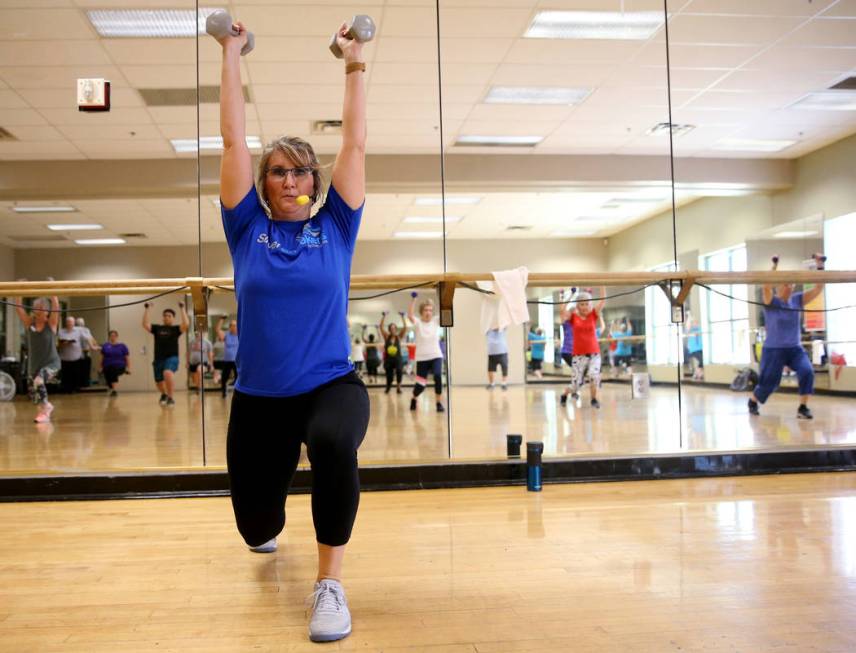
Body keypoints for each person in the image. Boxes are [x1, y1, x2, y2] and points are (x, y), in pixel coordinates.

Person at [215, 16, 370, 643]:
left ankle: (329, 585)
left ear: (314, 184)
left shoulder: (336, 227)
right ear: (264, 182)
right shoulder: (245, 229)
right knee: (256, 525)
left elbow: (355, 146)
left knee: (334, 443)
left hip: (331, 383)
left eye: (301, 171)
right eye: (278, 170)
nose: (290, 178)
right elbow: (231, 143)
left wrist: (354, 60)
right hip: (259, 399)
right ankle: (267, 524)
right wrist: (231, 51)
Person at [749, 255, 825, 419]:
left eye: (791, 284)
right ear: (779, 287)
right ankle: (753, 400)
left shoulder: (797, 300)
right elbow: (766, 287)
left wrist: (820, 265)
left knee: (807, 371)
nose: (790, 287)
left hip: (794, 348)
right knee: (769, 384)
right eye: (786, 284)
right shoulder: (771, 302)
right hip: (773, 349)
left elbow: (819, 288)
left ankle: (802, 407)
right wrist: (774, 267)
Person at [15, 296, 61, 423]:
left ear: (46, 310)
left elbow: (56, 306)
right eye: (36, 307)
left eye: (41, 307)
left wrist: (53, 294)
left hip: (52, 363)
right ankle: (44, 412)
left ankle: (46, 408)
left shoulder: (51, 323)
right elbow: (19, 309)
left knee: (39, 380)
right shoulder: (30, 323)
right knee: (35, 397)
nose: (38, 310)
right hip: (34, 365)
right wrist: (18, 293)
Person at [561, 288, 606, 408]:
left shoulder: (593, 315)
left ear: (590, 304)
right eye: (582, 304)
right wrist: (571, 295)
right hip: (578, 355)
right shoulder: (574, 317)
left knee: (594, 375)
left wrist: (602, 286)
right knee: (576, 385)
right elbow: (562, 310)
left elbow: (602, 302)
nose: (585, 307)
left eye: (587, 304)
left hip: (594, 354)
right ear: (577, 306)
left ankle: (594, 399)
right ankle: (564, 394)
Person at [143, 302, 189, 407]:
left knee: (167, 373)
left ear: (173, 318)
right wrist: (147, 308)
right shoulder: (157, 328)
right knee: (159, 381)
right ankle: (164, 394)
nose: (167, 317)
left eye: (169, 316)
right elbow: (145, 324)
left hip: (172, 357)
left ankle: (171, 398)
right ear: (163, 318)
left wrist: (182, 308)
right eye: (165, 315)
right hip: (158, 359)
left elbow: (186, 324)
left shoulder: (176, 329)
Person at [408, 295, 445, 412]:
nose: (428, 312)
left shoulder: (435, 321)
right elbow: (410, 316)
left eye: (430, 310)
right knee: (420, 386)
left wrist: (441, 295)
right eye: (425, 310)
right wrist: (414, 300)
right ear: (421, 311)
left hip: (436, 355)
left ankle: (438, 403)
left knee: (438, 377)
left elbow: (444, 310)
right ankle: (414, 398)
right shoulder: (418, 323)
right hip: (422, 358)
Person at [380, 311, 405, 394]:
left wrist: (402, 317)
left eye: (394, 328)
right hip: (389, 359)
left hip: (398, 359)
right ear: (390, 329)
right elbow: (381, 327)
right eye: (391, 328)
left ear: (396, 329)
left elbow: (405, 328)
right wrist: (384, 316)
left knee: (399, 371)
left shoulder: (399, 337)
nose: (393, 329)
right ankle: (388, 387)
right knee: (389, 375)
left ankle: (398, 387)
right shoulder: (386, 336)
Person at [100, 330, 130, 397]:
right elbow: (102, 357)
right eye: (111, 336)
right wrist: (100, 367)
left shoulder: (122, 346)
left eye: (114, 336)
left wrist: (128, 368)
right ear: (109, 337)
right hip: (107, 365)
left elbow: (127, 358)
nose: (112, 337)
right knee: (107, 372)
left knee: (112, 369)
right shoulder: (105, 346)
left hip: (119, 366)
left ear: (117, 336)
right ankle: (111, 388)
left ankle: (114, 390)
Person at [216, 315, 239, 397]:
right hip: (227, 361)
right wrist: (221, 319)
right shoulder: (227, 335)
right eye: (232, 325)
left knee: (238, 378)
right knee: (224, 377)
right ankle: (223, 392)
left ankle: (237, 393)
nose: (234, 327)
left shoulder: (240, 335)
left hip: (237, 361)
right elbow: (218, 330)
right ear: (230, 327)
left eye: (235, 325)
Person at [75, 317, 97, 388]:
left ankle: (85, 383)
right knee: (78, 369)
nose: (81, 324)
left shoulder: (86, 330)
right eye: (79, 323)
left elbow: (91, 339)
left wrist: (93, 344)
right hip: (77, 353)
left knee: (86, 368)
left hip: (86, 352)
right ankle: (79, 383)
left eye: (82, 323)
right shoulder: (75, 330)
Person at [685, 312, 703, 380]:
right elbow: (688, 326)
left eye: (696, 322)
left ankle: (697, 374)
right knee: (701, 361)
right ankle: (697, 374)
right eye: (694, 322)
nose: (695, 323)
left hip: (700, 348)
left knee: (703, 362)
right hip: (693, 349)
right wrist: (689, 316)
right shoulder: (690, 330)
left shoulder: (699, 328)